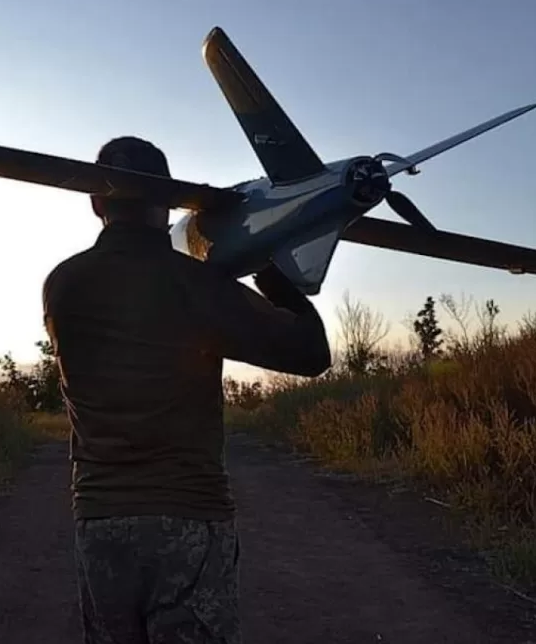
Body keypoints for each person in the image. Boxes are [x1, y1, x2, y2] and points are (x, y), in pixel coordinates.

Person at [41, 136, 332, 644]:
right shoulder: (195, 283)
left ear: (96, 202)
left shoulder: (63, 284)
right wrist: (262, 260)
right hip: (189, 516)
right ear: (172, 201)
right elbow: (310, 353)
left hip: (100, 520)